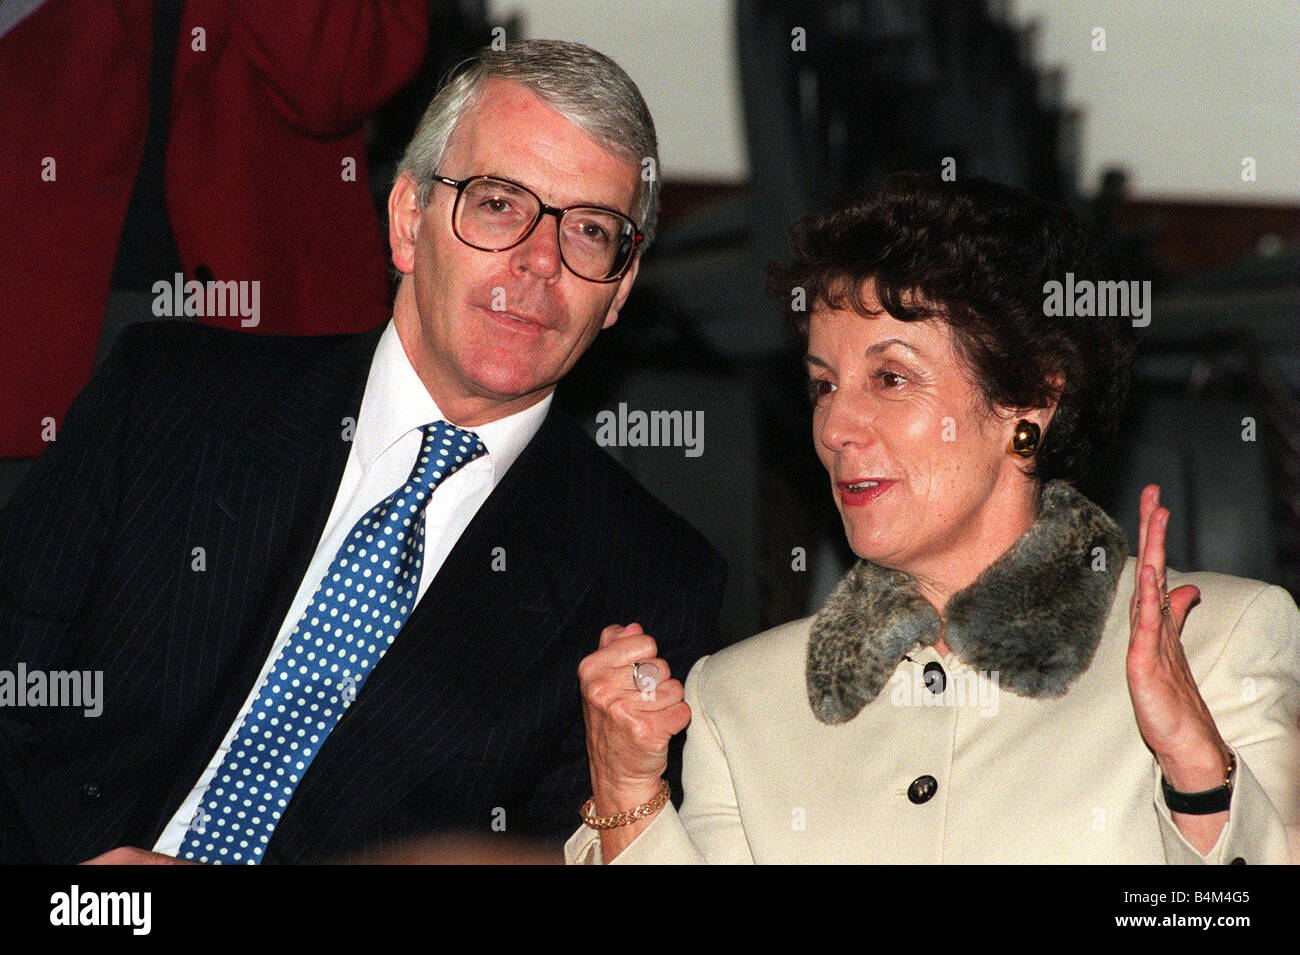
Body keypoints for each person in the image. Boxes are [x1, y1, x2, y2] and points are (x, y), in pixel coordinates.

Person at [0, 39, 725, 864]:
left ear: (621, 288)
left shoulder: (647, 579)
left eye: (590, 231)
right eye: (498, 204)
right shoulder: (168, 397)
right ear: (407, 219)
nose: (537, 264)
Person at [571, 173, 1299, 864]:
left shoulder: (1214, 644)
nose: (836, 426)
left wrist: (1197, 774)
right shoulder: (741, 698)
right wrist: (630, 797)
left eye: (890, 377)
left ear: (1029, 407)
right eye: (824, 384)